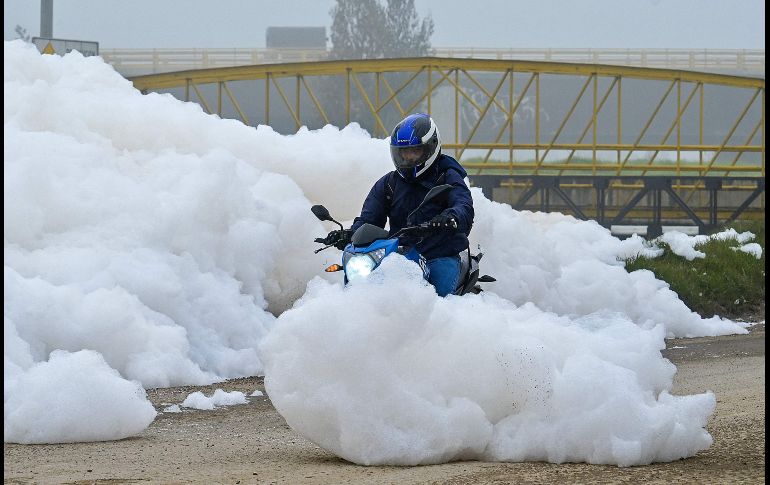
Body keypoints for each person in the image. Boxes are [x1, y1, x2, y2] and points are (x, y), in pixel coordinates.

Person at [326, 113, 474, 297]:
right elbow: (369, 219)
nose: (408, 158)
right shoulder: (389, 184)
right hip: (398, 256)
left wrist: (450, 217)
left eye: (415, 151)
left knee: (440, 297)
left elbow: (463, 205)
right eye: (403, 152)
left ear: (430, 148)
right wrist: (349, 234)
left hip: (438, 255)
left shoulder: (447, 177)